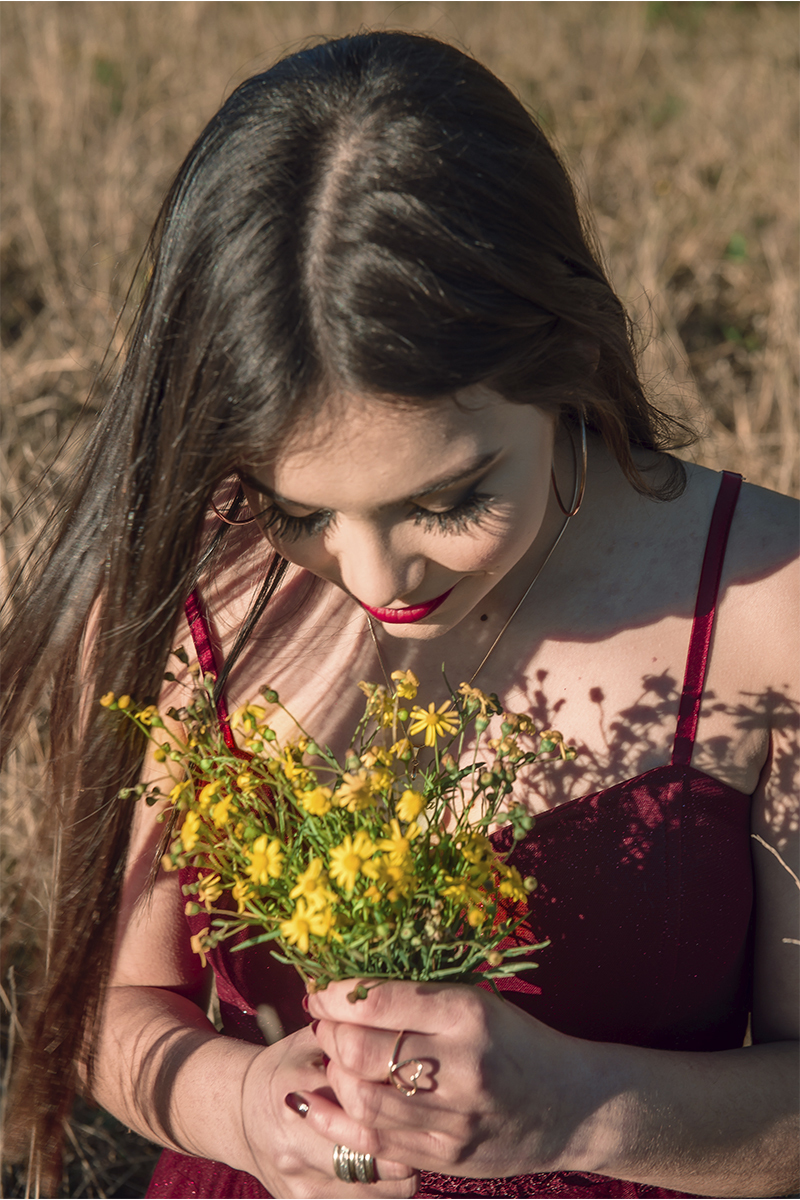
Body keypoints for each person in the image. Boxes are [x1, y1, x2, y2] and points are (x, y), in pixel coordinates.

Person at [2, 30, 797, 1200]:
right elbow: (107, 1012)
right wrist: (244, 1111)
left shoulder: (766, 604)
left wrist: (578, 1111)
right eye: (297, 510)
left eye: (450, 496)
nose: (376, 574)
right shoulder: (184, 590)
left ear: (564, 358)